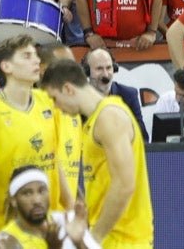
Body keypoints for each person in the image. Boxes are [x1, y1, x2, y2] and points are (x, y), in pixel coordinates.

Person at [40, 58, 154, 248]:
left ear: (68, 89)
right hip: (111, 238)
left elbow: (125, 184)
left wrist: (93, 240)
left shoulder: (109, 117)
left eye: (54, 98)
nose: (55, 106)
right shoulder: (93, 121)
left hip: (124, 240)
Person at [0, 36, 72, 249]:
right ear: (6, 66)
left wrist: (71, 209)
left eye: (35, 55)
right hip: (0, 234)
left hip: (47, 234)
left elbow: (56, 162)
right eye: (27, 56)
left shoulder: (48, 103)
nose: (36, 60)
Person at [0, 168, 94, 249]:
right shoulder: (5, 242)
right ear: (14, 200)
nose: (37, 200)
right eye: (28, 193)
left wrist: (79, 243)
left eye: (42, 191)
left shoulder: (63, 224)